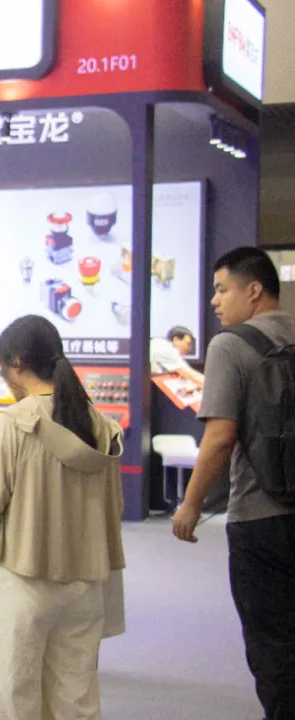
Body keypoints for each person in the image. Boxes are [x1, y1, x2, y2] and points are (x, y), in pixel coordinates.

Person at [0, 315, 126, 720]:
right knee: (76, 699)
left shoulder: (12, 424)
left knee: (12, 698)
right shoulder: (101, 425)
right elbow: (116, 507)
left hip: (21, 579)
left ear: (17, 363)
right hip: (85, 582)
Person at [172, 247, 295, 719]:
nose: (215, 301)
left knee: (272, 644)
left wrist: (190, 504)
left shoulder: (230, 345)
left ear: (254, 290)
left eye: (222, 289)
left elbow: (220, 437)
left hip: (261, 518)